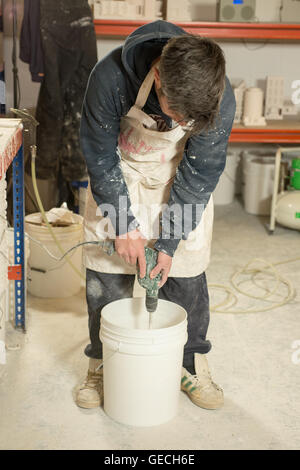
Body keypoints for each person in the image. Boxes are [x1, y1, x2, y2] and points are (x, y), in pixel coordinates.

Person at [77, 20, 236, 410]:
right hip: (121, 171)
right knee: (108, 270)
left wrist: (167, 244)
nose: (182, 125)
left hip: (176, 173)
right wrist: (122, 222)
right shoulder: (110, 77)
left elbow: (200, 173)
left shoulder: (217, 97)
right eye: (176, 114)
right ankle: (102, 360)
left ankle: (190, 362)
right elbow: (98, 156)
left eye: (190, 121)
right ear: (158, 77)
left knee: (184, 269)